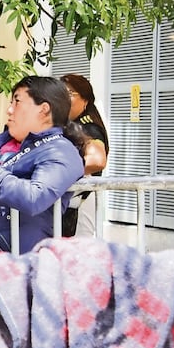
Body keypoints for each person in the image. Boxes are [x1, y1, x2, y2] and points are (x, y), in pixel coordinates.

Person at [0, 75, 86, 254]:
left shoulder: (60, 151)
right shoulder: (1, 143)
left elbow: (36, 197)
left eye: (17, 102)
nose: (9, 110)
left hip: (17, 262)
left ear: (44, 110)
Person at [60, 73, 109, 237]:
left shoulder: (88, 128)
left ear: (85, 100)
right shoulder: (67, 127)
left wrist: (58, 171)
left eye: (70, 94)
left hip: (80, 205)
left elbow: (97, 160)